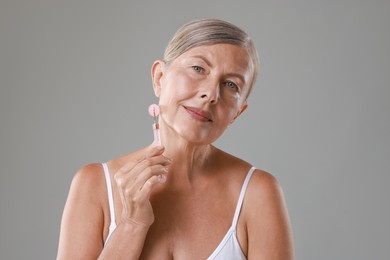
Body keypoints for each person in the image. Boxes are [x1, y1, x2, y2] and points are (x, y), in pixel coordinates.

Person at [57, 18, 294, 259]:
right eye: (198, 69)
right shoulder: (94, 185)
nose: (210, 94)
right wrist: (130, 224)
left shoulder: (258, 194)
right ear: (159, 77)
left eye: (230, 84)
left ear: (237, 113)